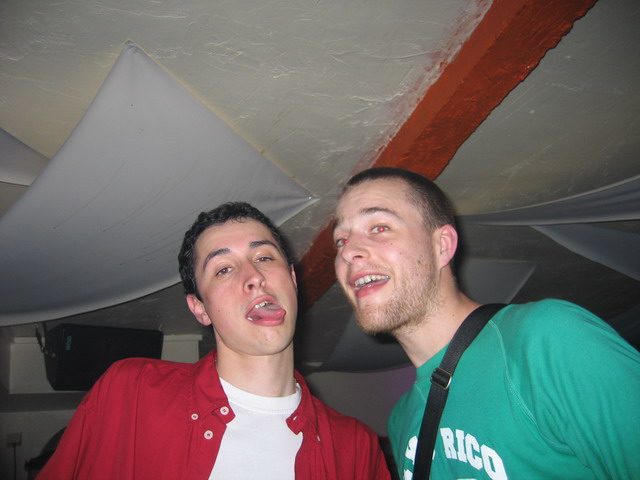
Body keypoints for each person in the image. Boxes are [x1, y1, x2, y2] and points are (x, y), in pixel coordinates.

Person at [38, 202, 391, 480]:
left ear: (293, 281)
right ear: (200, 308)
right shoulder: (130, 392)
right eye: (223, 269)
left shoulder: (356, 448)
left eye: (264, 257)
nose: (254, 277)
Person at [332, 166, 640, 480]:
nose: (348, 252)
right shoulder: (402, 420)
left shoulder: (548, 340)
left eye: (380, 227)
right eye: (340, 240)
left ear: (442, 246)